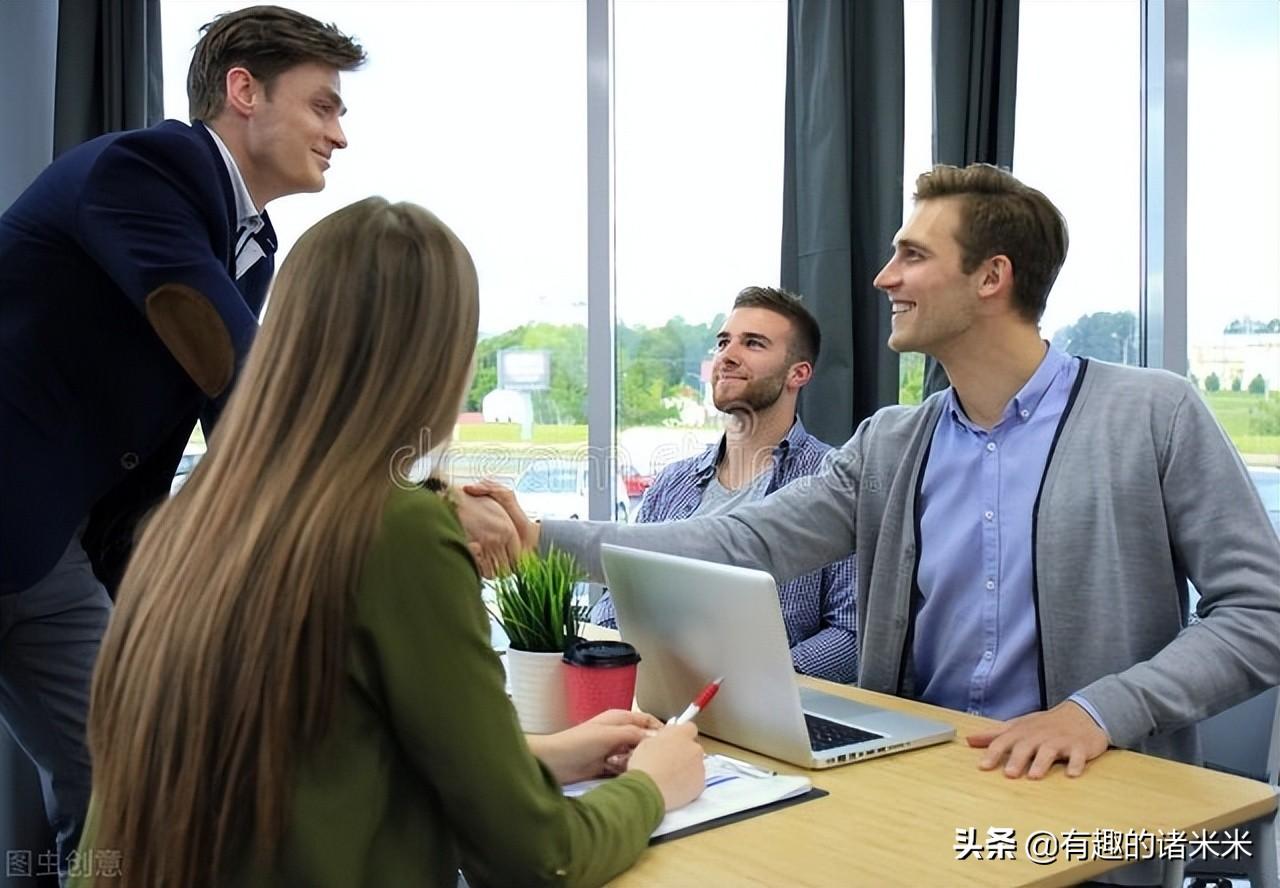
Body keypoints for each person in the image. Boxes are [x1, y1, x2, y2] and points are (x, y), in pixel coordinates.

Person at [464, 163, 1280, 789]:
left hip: (1094, 786)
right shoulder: (891, 442)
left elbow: (1260, 614)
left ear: (991, 278)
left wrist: (1098, 712)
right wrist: (541, 536)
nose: (885, 278)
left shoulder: (1154, 414)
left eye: (912, 255)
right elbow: (743, 539)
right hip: (921, 780)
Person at [74, 198, 704, 888]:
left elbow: (312, 763)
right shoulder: (397, 529)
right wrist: (651, 787)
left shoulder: (190, 521)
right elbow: (536, 857)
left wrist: (545, 759)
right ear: (438, 359)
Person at [0, 6, 364, 873]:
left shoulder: (252, 243)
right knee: (124, 778)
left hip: (48, 549)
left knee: (120, 780)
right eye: (323, 106)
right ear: (245, 91)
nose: (339, 136)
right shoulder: (144, 170)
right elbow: (234, 371)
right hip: (21, 518)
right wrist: (377, 491)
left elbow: (229, 428)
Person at [589, 286, 858, 682]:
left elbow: (850, 634)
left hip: (773, 710)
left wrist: (760, 682)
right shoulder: (671, 483)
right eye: (722, 342)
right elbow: (618, 597)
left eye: (753, 343)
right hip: (652, 695)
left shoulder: (832, 482)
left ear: (798, 373)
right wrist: (610, 655)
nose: (727, 356)